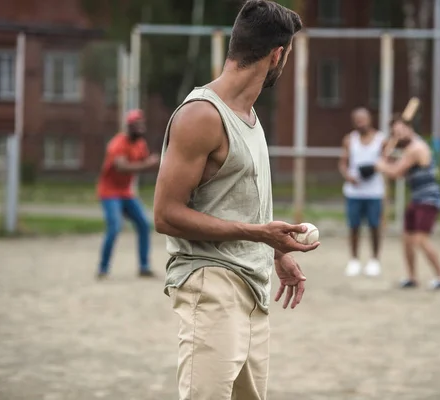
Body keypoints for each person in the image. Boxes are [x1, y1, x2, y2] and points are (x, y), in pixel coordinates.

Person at [153, 1, 319, 399]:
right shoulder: (201, 115)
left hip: (252, 289)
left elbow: (235, 201)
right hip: (210, 284)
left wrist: (276, 251)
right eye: (288, 56)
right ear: (277, 55)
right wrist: (259, 234)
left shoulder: (249, 115)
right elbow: (165, 214)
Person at [375, 114, 440, 290]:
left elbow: (396, 172)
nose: (398, 135)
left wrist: (381, 166)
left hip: (428, 199)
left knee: (421, 239)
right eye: (395, 132)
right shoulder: (408, 148)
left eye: (401, 130)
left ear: (409, 128)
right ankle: (412, 277)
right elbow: (399, 164)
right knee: (407, 239)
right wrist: (387, 157)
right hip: (417, 198)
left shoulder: (416, 148)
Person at [96, 109, 160, 279]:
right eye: (136, 125)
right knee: (115, 227)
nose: (140, 128)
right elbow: (121, 167)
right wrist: (148, 164)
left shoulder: (140, 144)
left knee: (144, 225)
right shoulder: (117, 144)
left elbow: (146, 161)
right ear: (129, 127)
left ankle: (144, 266)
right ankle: (103, 268)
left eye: (142, 125)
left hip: (126, 192)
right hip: (109, 193)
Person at [338, 107, 386, 277]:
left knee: (375, 226)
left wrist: (378, 167)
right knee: (354, 227)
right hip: (354, 192)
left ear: (369, 119)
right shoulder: (349, 140)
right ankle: (354, 260)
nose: (360, 123)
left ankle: (374, 259)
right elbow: (343, 163)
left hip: (374, 192)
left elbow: (387, 161)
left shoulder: (381, 140)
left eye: (363, 119)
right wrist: (348, 176)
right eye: (357, 120)